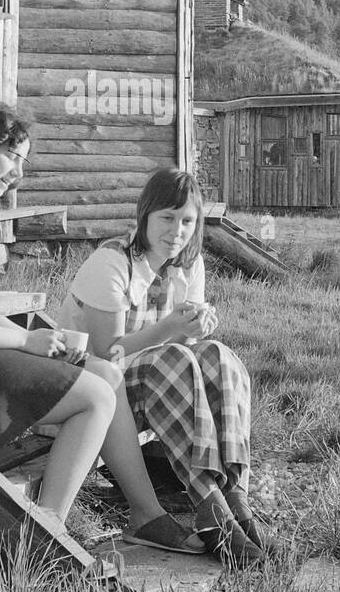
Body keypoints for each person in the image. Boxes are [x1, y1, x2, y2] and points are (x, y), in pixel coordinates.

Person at [0, 102, 202, 555]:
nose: (19, 174)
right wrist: (26, 340)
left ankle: (145, 515)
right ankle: (46, 534)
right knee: (94, 398)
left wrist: (42, 348)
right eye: (14, 158)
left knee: (106, 374)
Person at [57, 167, 271, 567]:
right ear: (145, 216)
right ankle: (209, 503)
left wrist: (194, 328)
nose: (177, 231)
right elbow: (108, 354)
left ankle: (236, 497)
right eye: (167, 218)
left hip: (147, 389)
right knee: (173, 358)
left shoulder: (189, 266)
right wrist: (170, 328)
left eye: (187, 221)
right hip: (88, 388)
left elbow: (185, 352)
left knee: (218, 355)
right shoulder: (113, 262)